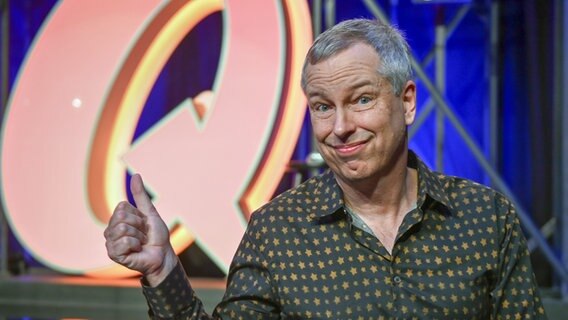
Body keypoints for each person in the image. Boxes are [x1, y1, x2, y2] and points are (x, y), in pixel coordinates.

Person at [104, 18, 547, 319]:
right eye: (322, 107)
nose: (340, 128)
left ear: (406, 101)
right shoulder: (277, 231)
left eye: (361, 100)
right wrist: (163, 271)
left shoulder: (485, 220)